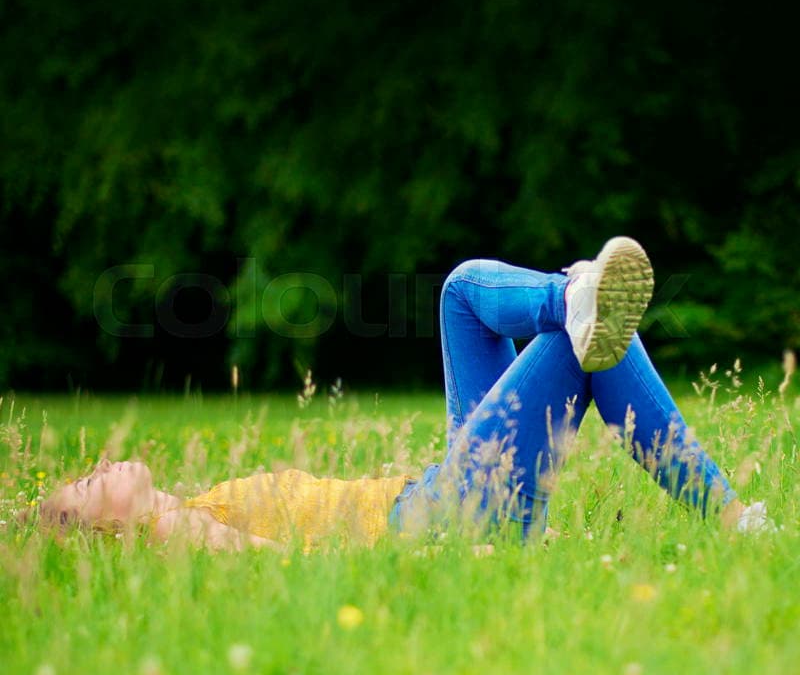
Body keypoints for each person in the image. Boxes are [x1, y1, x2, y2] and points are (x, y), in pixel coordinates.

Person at [33, 237, 770, 551]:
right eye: (87, 483)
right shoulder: (176, 536)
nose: (100, 463)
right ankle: (735, 519)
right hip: (437, 523)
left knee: (463, 293)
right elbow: (293, 571)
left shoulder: (189, 509)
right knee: (582, 340)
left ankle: (572, 296)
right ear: (103, 527)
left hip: (434, 497)